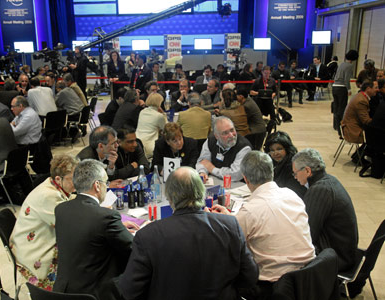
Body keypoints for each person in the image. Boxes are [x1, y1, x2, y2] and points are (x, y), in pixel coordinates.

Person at [118, 166, 259, 300]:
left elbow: (130, 291)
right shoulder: (230, 225)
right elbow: (250, 277)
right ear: (202, 193)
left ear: (170, 197)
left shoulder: (148, 236)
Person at [210, 151, 315, 298]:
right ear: (271, 171)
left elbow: (230, 243)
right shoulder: (291, 195)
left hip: (273, 286)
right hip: (308, 276)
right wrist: (231, 217)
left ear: (246, 179)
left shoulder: (250, 211)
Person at [54, 159, 138, 298]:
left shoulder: (61, 209)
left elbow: (87, 230)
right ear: (97, 186)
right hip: (96, 294)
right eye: (106, 183)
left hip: (63, 291)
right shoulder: (105, 217)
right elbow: (133, 248)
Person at [10, 155, 78, 290]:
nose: (77, 182)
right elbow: (68, 225)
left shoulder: (53, 185)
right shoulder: (48, 195)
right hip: (34, 252)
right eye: (73, 179)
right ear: (59, 179)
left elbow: (70, 201)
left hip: (30, 241)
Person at [292, 148, 358, 272]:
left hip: (335, 257)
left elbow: (308, 233)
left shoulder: (319, 190)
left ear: (307, 170)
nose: (295, 177)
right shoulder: (329, 180)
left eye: (295, 173)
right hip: (343, 251)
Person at [196, 116, 252, 183]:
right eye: (225, 133)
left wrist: (212, 169)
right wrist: (202, 172)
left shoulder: (244, 147)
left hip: (237, 186)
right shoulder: (210, 141)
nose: (231, 135)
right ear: (216, 136)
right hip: (215, 181)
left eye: (232, 130)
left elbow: (235, 175)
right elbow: (203, 161)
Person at [263, 131, 307, 199]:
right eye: (272, 150)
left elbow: (294, 193)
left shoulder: (294, 167)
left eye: (279, 149)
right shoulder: (271, 162)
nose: (275, 153)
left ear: (287, 149)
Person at [332, 50, 359, 137]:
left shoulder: (342, 64)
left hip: (334, 87)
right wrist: (349, 89)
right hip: (341, 88)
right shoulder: (350, 66)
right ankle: (341, 126)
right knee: (342, 108)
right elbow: (346, 79)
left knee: (336, 107)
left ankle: (336, 125)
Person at [135, 93, 167, 159]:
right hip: (150, 147)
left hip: (138, 142)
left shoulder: (142, 112)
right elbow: (167, 128)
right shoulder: (159, 116)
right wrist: (164, 114)